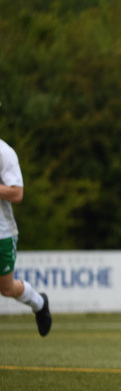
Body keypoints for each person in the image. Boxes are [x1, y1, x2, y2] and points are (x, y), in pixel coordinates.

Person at [0, 137, 51, 336]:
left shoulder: (4, 152)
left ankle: (39, 302)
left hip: (2, 234)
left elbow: (16, 193)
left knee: (6, 289)